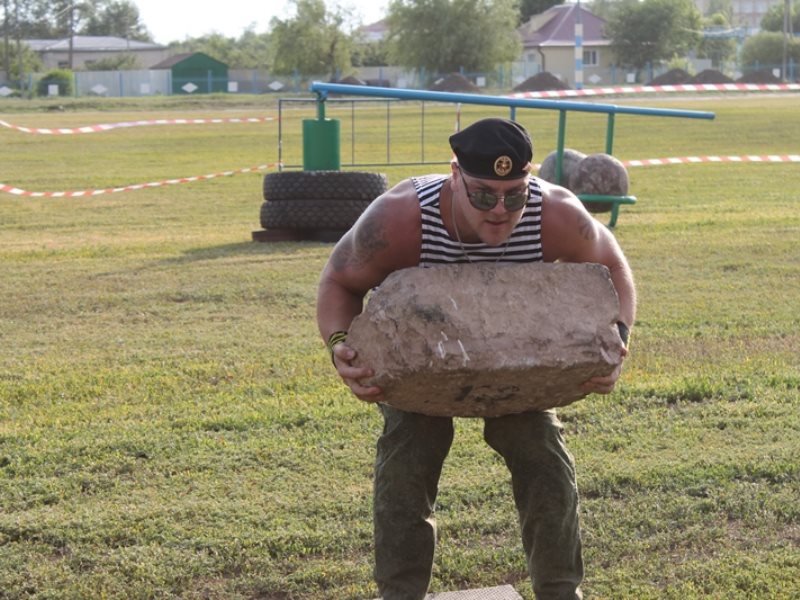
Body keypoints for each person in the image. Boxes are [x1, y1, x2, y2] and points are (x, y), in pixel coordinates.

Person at [316, 117, 636, 600]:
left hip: (517, 353)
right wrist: (340, 343)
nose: (500, 211)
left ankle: (560, 592)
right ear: (454, 175)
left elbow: (612, 264)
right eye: (483, 195)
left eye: (514, 194)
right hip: (421, 355)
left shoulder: (554, 213)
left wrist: (617, 336)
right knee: (410, 452)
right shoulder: (402, 218)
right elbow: (339, 282)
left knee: (542, 455)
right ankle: (399, 595)